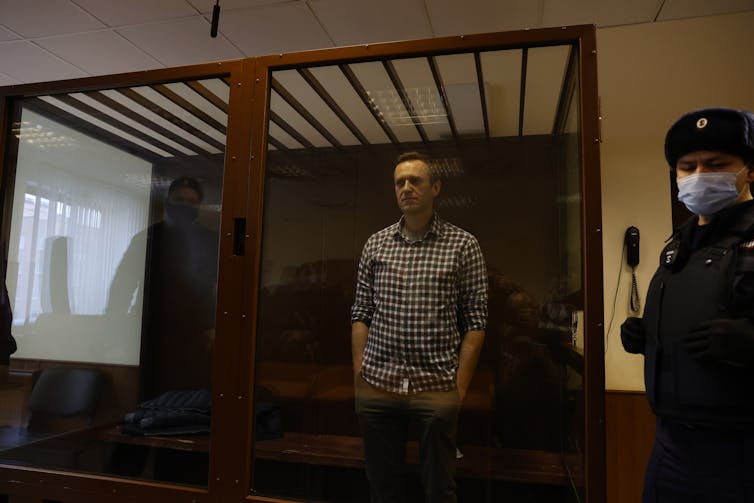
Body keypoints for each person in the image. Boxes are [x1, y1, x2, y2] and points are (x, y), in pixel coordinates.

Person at [620, 107, 754, 502]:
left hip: (739, 450)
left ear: (749, 169)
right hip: (670, 444)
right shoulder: (679, 244)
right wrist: (648, 336)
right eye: (687, 167)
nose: (699, 176)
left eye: (715, 164)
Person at [351, 152, 488, 503]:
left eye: (416, 181)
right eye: (400, 182)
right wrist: (360, 373)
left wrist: (458, 388)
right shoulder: (376, 244)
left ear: (436, 188)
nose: (407, 188)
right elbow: (361, 313)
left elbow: (475, 321)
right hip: (379, 384)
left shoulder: (463, 245)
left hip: (437, 385)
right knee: (382, 487)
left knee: (440, 488)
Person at [107, 176, 219, 399]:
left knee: (192, 399)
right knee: (152, 397)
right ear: (168, 201)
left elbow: (224, 289)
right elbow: (121, 288)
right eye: (179, 199)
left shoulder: (212, 241)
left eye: (191, 201)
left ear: (198, 206)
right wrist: (115, 335)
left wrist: (217, 328)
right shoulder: (147, 238)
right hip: (152, 334)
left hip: (197, 336)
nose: (184, 205)